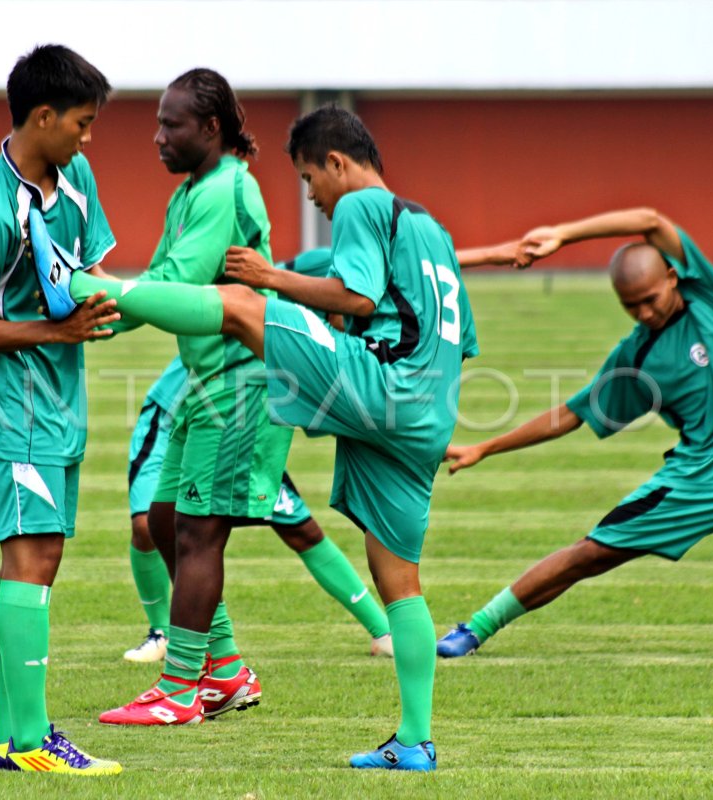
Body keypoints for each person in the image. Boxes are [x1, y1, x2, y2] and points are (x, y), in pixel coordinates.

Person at [70, 104, 477, 771]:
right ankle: (415, 741)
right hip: (428, 409)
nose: (313, 195)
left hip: (381, 384)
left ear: (338, 163)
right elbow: (457, 337)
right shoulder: (430, 227)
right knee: (401, 582)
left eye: (311, 179)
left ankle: (89, 285)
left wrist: (270, 278)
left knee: (237, 306)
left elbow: (358, 296)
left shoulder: (362, 206)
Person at [437, 207, 713, 662]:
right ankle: (476, 628)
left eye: (650, 298)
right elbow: (572, 414)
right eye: (630, 305)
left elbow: (650, 220)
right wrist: (485, 446)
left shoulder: (711, 300)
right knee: (587, 556)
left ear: (674, 276)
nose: (644, 312)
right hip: (693, 485)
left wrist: (562, 233)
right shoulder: (637, 355)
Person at [0, 44, 122, 776]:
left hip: (57, 406)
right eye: (81, 122)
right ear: (41, 116)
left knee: (38, 561)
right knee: (31, 557)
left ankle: (10, 737)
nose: (88, 136)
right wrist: (56, 331)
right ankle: (31, 739)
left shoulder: (76, 179)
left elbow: (89, 273)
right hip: (10, 412)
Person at [94, 68, 294, 727]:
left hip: (241, 382)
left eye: (169, 124)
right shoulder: (191, 194)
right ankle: (228, 669)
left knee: (201, 532)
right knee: (163, 520)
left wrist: (99, 291)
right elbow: (158, 282)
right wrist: (89, 319)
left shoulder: (228, 188)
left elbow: (176, 286)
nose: (156, 136)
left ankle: (180, 690)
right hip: (206, 383)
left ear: (210, 128)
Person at [121, 256, 393, 664]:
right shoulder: (306, 273)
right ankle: (162, 633)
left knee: (300, 530)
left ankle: (382, 631)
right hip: (174, 416)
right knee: (149, 526)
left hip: (240, 428)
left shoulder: (321, 336)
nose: (350, 330)